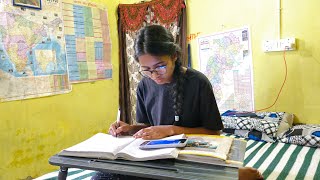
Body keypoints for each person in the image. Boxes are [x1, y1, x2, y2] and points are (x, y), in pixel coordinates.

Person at [91, 25, 263, 180]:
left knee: (182, 172)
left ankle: (229, 174)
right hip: (158, 156)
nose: (154, 75)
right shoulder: (144, 85)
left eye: (160, 66)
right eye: (146, 70)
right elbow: (147, 126)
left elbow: (214, 132)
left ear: (174, 56)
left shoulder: (198, 82)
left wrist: (171, 130)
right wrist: (129, 129)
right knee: (101, 176)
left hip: (192, 153)